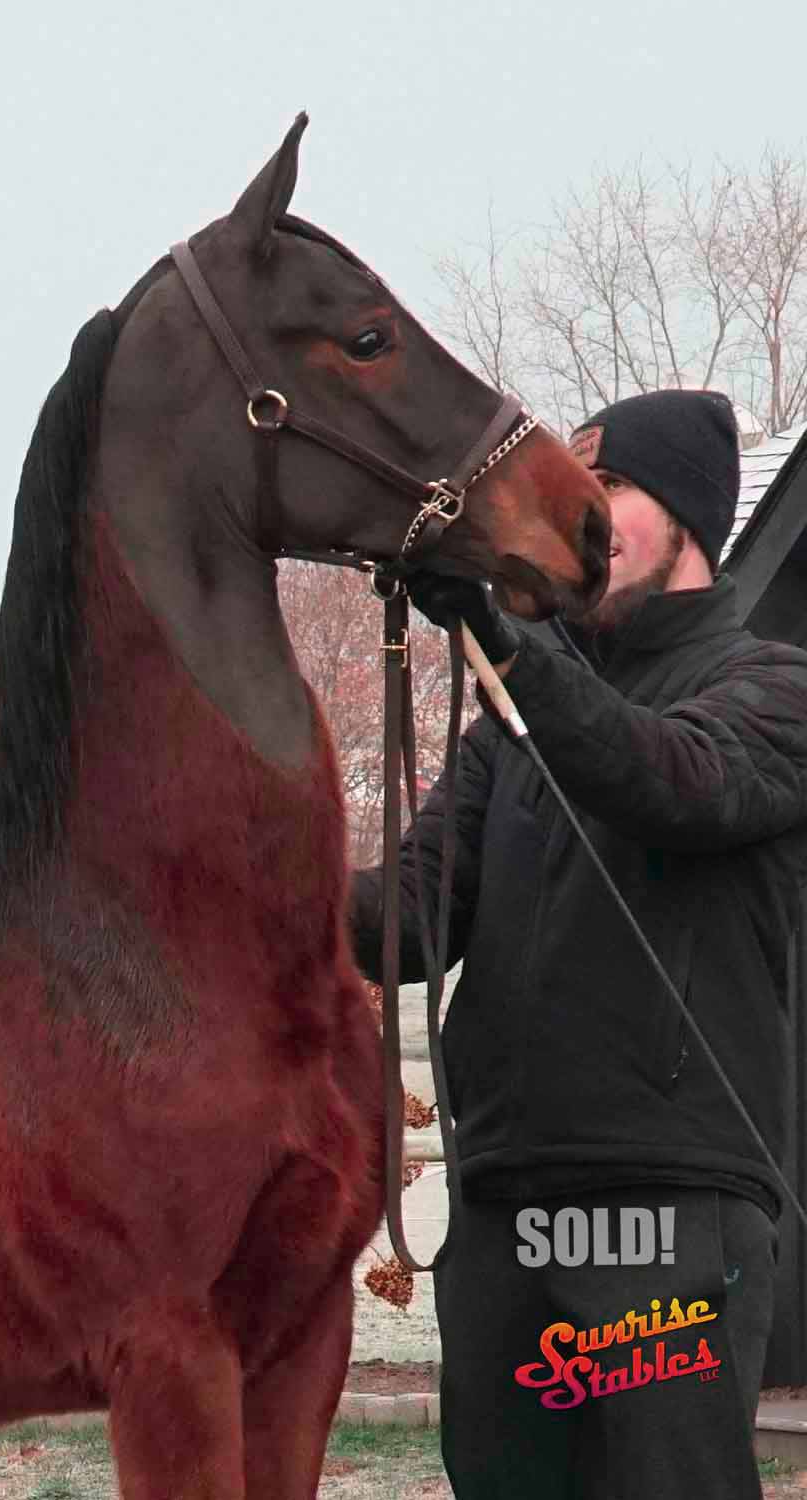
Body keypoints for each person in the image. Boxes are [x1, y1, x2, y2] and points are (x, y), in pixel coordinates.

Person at [350, 388, 807, 1499]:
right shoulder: (507, 730)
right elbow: (405, 921)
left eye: (607, 489)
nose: (578, 515)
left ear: (688, 518)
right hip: (502, 1203)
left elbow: (664, 777)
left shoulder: (774, 687)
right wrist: (242, 842)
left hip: (663, 1209)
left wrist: (503, 636)